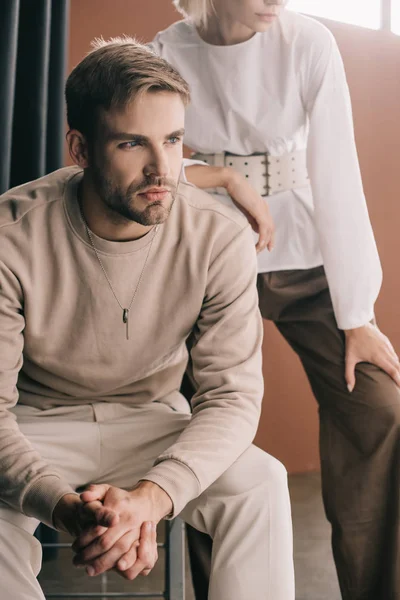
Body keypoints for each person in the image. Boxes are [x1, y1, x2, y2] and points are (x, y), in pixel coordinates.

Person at [0, 37, 295, 600]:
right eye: (133, 143)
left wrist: (152, 498)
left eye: (174, 140)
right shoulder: (11, 238)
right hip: (37, 422)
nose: (163, 167)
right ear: (81, 148)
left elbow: (232, 396)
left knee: (261, 483)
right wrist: (60, 507)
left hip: (152, 417)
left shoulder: (219, 236)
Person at [147, 1, 400, 599]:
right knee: (200, 427)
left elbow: (337, 170)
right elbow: (141, 158)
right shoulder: (166, 52)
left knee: (380, 410)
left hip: (304, 252)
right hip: (207, 256)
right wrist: (223, 178)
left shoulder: (307, 43)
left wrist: (357, 314)